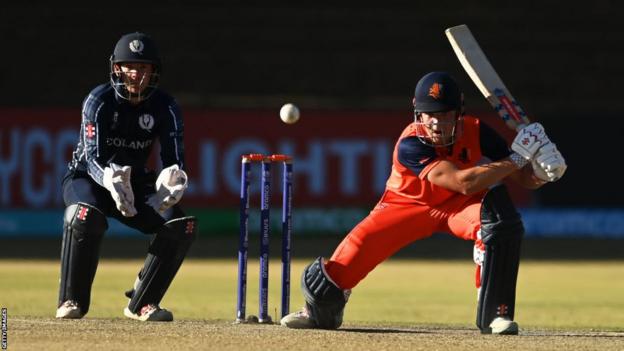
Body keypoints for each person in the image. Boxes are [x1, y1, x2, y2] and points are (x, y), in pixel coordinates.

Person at [280, 72, 567, 334]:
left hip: (457, 207)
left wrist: (543, 171)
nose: (436, 123)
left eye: (444, 114)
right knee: (328, 284)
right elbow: (463, 181)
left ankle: (495, 313)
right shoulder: (411, 143)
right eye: (429, 115)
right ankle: (315, 313)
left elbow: (522, 178)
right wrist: (519, 156)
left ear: (459, 113)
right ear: (418, 113)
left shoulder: (477, 130)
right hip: (404, 205)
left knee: (500, 223)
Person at [56, 32, 197, 322]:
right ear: (116, 68)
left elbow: (174, 159)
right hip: (87, 179)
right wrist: (109, 179)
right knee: (85, 215)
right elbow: (92, 157)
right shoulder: (98, 101)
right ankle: (71, 301)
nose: (137, 74)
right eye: (130, 66)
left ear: (153, 71)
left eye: (144, 67)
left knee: (180, 226)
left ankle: (143, 303)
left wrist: (171, 181)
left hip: (133, 183)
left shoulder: (166, 107)